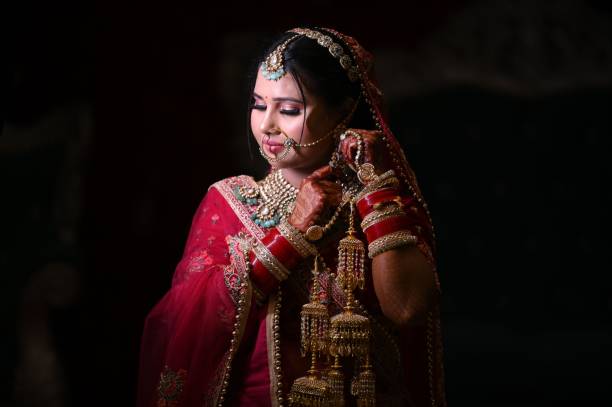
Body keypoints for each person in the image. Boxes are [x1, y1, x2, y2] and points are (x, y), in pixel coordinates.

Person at [137, 27, 446, 407]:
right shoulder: (229, 203)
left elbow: (408, 309)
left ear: (344, 110)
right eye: (257, 104)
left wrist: (374, 189)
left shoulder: (384, 203)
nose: (266, 125)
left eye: (288, 110)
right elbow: (186, 328)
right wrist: (290, 236)